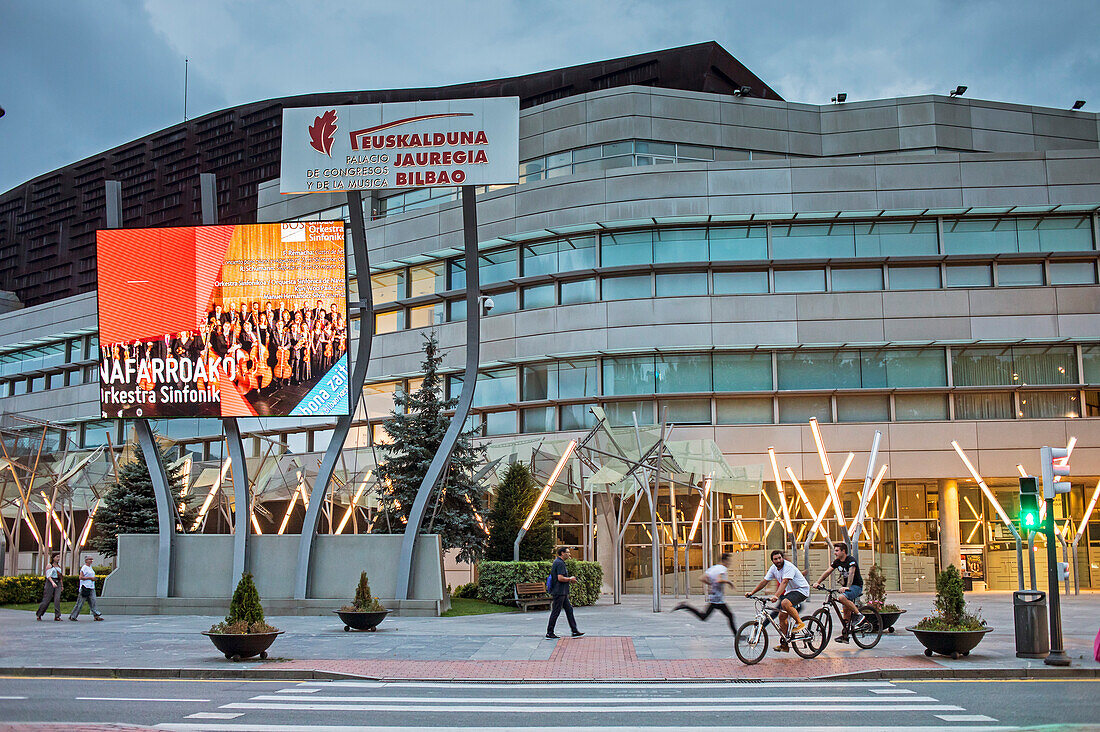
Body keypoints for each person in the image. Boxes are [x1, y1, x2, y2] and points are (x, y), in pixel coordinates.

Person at [746, 549, 809, 653]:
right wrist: (752, 593)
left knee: (785, 603)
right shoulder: (773, 569)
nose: (778, 560)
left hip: (801, 590)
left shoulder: (788, 567)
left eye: (780, 558)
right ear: (772, 561)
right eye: (776, 559)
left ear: (782, 558)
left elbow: (784, 582)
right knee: (781, 617)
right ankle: (784, 645)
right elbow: (765, 581)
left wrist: (775, 596)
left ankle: (799, 622)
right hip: (790, 592)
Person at [672, 552, 737, 632]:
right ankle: (737, 636)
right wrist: (728, 582)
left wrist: (711, 584)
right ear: (725, 560)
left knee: (704, 616)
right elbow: (719, 580)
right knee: (730, 616)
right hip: (718, 599)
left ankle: (685, 606)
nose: (729, 563)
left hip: (714, 598)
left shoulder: (713, 568)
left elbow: (702, 578)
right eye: (729, 561)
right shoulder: (722, 569)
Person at [813, 541, 864, 643]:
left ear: (843, 551)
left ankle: (859, 615)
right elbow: (828, 572)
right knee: (845, 610)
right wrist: (817, 582)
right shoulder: (837, 562)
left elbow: (851, 573)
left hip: (856, 586)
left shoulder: (851, 560)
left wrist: (847, 587)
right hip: (846, 587)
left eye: (836, 551)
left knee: (841, 598)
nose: (835, 553)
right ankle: (845, 635)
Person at [546, 546, 584, 640]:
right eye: (567, 552)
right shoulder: (559, 563)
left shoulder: (558, 562)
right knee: (556, 611)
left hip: (561, 591)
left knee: (569, 610)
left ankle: (574, 630)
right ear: (562, 553)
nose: (569, 554)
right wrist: (570, 579)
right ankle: (549, 632)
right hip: (559, 592)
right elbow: (560, 578)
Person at [69, 556, 103, 621]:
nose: (91, 560)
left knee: (93, 602)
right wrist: (90, 578)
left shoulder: (90, 568)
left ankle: (96, 616)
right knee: (80, 603)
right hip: (85, 587)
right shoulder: (84, 568)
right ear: (86, 560)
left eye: (92, 559)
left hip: (91, 587)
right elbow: (80, 577)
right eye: (90, 559)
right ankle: (73, 616)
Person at [36, 555, 63, 621]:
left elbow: (60, 577)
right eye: (57, 557)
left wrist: (62, 585)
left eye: (59, 557)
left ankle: (57, 616)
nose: (58, 558)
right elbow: (48, 576)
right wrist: (52, 583)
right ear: (53, 558)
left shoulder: (59, 566)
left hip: (58, 582)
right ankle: (39, 614)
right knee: (47, 599)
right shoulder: (49, 565)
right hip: (50, 582)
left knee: (57, 599)